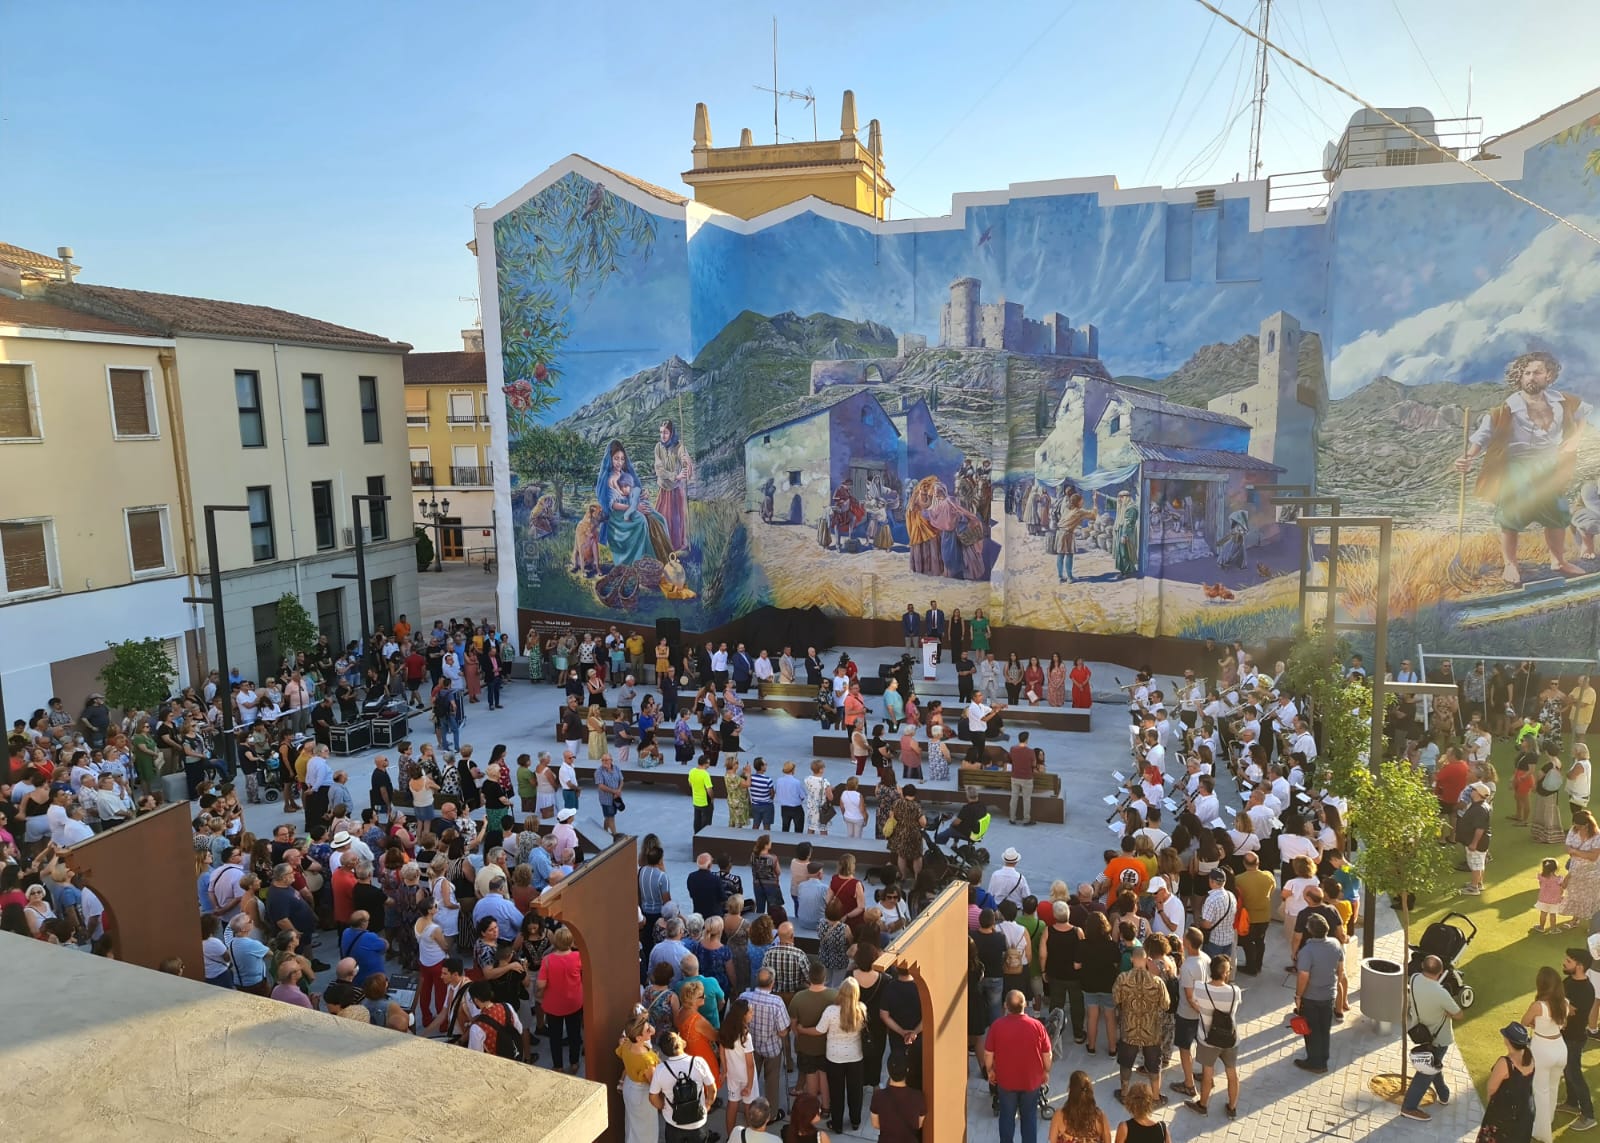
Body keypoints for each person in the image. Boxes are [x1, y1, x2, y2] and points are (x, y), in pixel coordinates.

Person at [1452, 350, 1590, 585]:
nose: (1530, 377)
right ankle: (1510, 564)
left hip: (1549, 465)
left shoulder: (1563, 401)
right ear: (1520, 377)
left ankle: (1558, 560)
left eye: (1537, 372)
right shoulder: (1506, 408)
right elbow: (1484, 435)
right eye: (1526, 373)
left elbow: (1583, 414)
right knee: (1511, 512)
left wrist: (1576, 438)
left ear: (1549, 376)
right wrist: (1468, 457)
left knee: (1557, 511)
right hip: (1517, 465)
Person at [1396, 953, 1464, 1122]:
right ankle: (1409, 1107)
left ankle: (1443, 1094)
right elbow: (1459, 1014)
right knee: (1425, 1072)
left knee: (1433, 1064)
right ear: (1440, 973)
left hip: (1420, 1032)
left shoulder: (1414, 979)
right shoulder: (1441, 994)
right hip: (1439, 1038)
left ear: (1422, 967)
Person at [983, 989, 1053, 1143]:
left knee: (1007, 1116)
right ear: (1025, 1005)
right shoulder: (1037, 1026)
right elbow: (1047, 1054)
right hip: (1031, 1082)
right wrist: (1046, 1071)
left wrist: (990, 1071)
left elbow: (988, 1053)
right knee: (1029, 1118)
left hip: (1006, 1081)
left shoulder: (997, 1026)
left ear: (1005, 1006)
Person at [808, 976, 867, 1134]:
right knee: (855, 1091)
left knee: (836, 1091)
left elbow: (819, 1030)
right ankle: (855, 1121)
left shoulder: (831, 1011)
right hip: (855, 1056)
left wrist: (801, 1029)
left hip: (834, 1057)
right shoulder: (861, 1009)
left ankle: (837, 1124)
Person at [1112, 944, 1166, 1104]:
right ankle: (1156, 1096)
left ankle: (1123, 1093)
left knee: (1126, 1063)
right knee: (1154, 1065)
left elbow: (1115, 999)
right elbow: (1166, 1004)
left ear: (1132, 959)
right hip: (1151, 1031)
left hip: (1129, 1029)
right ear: (1147, 960)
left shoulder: (1122, 978)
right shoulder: (1157, 981)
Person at [1523, 965, 1572, 1142]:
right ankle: (1547, 1121)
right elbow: (1562, 1024)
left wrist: (1536, 1024)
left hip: (1543, 1050)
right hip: (1560, 1048)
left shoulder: (1538, 1006)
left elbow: (1524, 1021)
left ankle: (1542, 1133)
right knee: (1553, 1088)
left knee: (1540, 1091)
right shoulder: (1565, 1002)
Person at [650, 1027, 718, 1142]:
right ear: (679, 1044)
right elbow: (712, 1089)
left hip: (673, 1124)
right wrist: (708, 1104)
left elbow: (653, 1097)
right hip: (697, 1124)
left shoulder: (661, 1069)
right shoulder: (698, 1062)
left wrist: (663, 1107)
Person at [1478, 1022, 1537, 1143]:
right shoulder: (1530, 1057)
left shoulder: (1505, 1063)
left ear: (1507, 1041)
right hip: (1525, 1112)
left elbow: (1491, 1089)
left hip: (1504, 1114)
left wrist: (1493, 1108)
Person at [869, 1052, 927, 1143]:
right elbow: (919, 1125)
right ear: (907, 1070)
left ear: (888, 1070)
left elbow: (875, 1124)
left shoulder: (878, 1096)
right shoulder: (918, 1097)